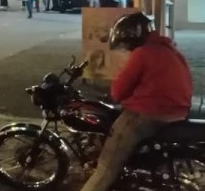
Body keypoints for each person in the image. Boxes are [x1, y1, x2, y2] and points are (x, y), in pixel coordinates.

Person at [80, 13, 192, 191]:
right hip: (178, 112)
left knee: (105, 168)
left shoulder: (143, 53)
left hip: (147, 115)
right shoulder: (173, 51)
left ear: (132, 37)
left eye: (126, 46)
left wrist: (117, 93)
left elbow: (118, 92)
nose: (127, 50)